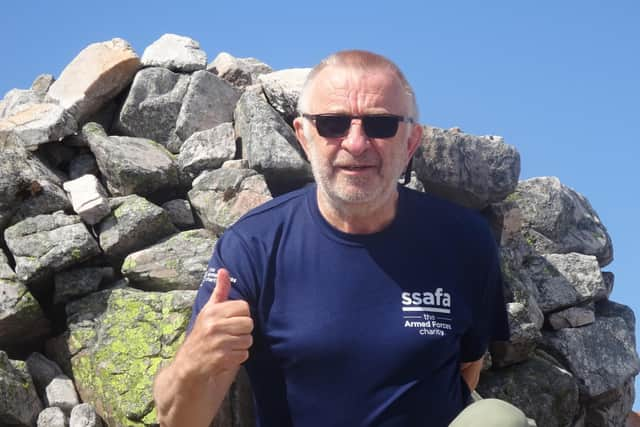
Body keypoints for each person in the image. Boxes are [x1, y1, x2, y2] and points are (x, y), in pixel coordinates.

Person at [153, 50, 529, 427]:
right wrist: (193, 362)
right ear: (304, 136)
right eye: (332, 123)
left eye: (380, 125)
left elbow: (468, 365)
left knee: (500, 420)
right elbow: (179, 421)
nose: (356, 143)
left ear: (411, 141)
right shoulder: (253, 246)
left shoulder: (465, 242)